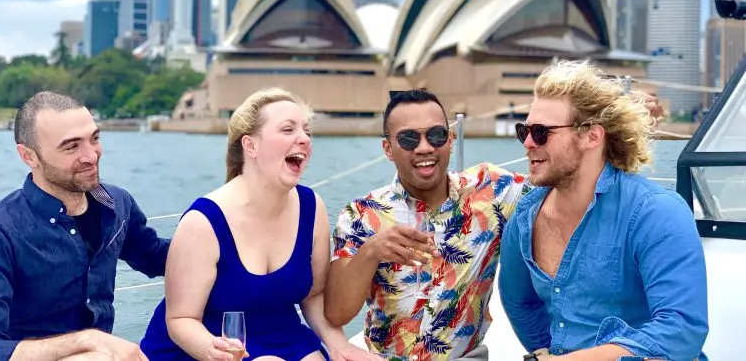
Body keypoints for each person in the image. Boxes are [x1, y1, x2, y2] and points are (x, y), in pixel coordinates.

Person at [140, 88, 379, 361]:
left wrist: (340, 346)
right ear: (250, 146)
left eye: (306, 131)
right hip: (206, 345)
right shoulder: (202, 222)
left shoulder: (312, 208)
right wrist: (214, 350)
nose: (304, 139)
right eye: (288, 130)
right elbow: (181, 318)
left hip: (281, 336)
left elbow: (314, 295)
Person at [499, 60, 708, 360]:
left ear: (592, 136)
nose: (528, 143)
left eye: (542, 132)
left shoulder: (656, 213)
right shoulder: (524, 218)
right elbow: (520, 302)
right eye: (525, 131)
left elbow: (680, 331)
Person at [0, 91, 170, 361]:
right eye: (71, 147)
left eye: (94, 139)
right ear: (29, 156)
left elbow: (156, 257)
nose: (91, 156)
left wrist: (220, 228)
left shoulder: (117, 204)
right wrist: (88, 340)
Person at [325, 90, 531, 361]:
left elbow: (561, 188)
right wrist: (371, 251)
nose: (425, 147)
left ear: (451, 139)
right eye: (409, 139)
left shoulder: (494, 189)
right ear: (388, 149)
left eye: (436, 135)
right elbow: (337, 312)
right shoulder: (361, 214)